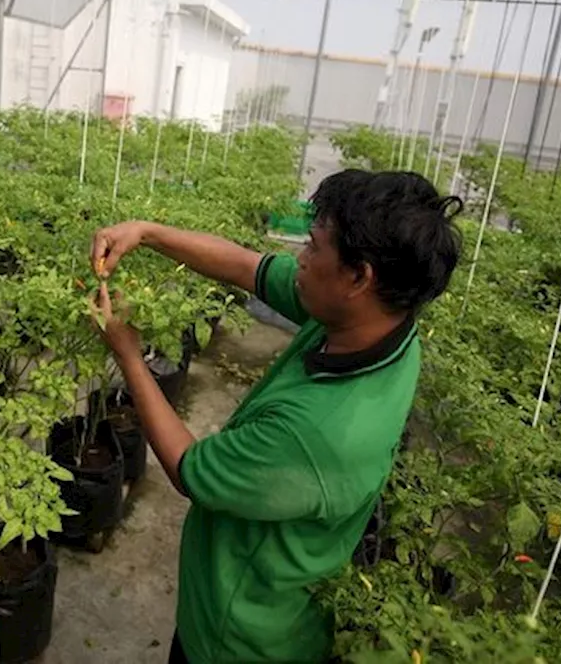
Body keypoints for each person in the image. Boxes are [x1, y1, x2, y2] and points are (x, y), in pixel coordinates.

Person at [90, 169, 463, 664]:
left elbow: (188, 468)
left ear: (359, 276)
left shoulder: (318, 432)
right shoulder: (381, 324)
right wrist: (148, 232)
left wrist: (129, 355)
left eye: (313, 247)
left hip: (238, 636)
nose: (300, 260)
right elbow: (249, 268)